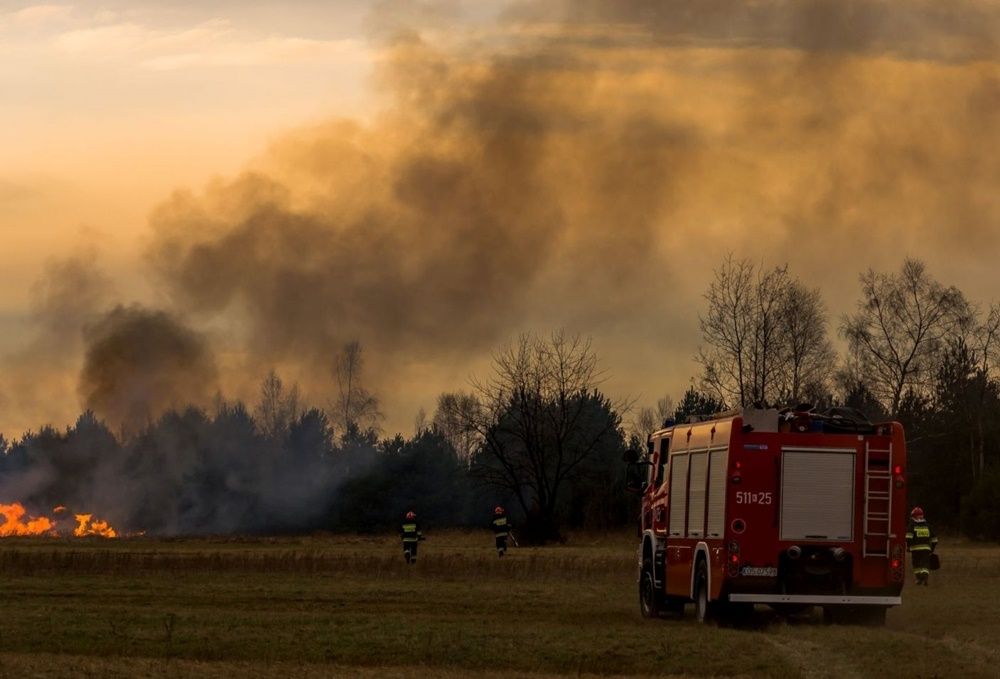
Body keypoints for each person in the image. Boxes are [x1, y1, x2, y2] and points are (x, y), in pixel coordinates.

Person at [905, 506, 938, 586]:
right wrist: (932, 549)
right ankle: (925, 576)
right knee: (925, 563)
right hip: (926, 549)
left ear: (913, 516)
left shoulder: (912, 525)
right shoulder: (927, 526)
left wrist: (909, 547)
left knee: (916, 564)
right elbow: (935, 539)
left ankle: (919, 578)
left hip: (915, 549)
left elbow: (908, 537)